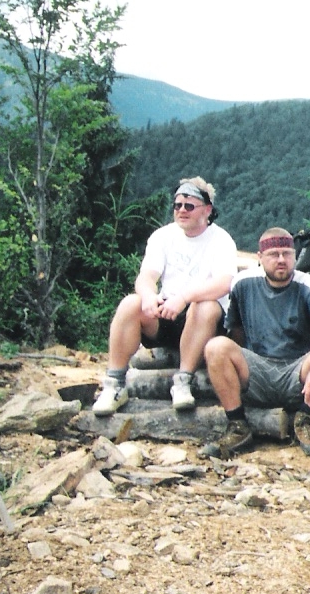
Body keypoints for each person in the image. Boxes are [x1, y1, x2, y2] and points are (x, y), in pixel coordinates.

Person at [92, 176, 238, 416]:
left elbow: (224, 283)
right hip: (167, 311)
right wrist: (148, 296)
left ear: (207, 210)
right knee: (131, 303)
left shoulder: (221, 240)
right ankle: (115, 383)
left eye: (189, 206)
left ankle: (183, 380)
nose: (182, 210)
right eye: (177, 205)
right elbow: (146, 276)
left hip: (204, 322)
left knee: (206, 306)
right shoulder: (163, 236)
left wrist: (184, 297)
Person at [204, 227, 310, 458]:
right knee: (216, 347)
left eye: (287, 254)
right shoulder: (242, 283)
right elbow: (236, 331)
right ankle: (238, 425)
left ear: (294, 256)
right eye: (274, 254)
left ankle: (305, 419)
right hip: (257, 369)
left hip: (297, 371)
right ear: (260, 257)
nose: (281, 260)